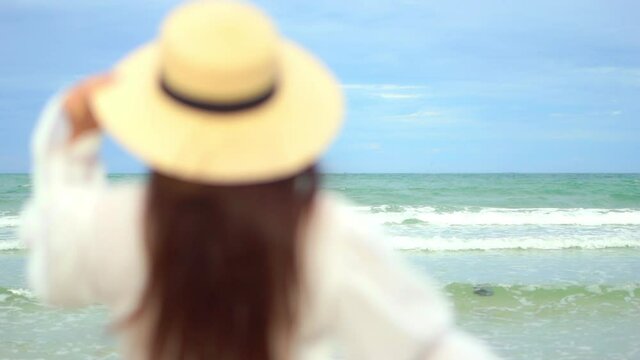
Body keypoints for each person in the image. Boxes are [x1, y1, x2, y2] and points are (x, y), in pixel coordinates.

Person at [19, 1, 499, 359]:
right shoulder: (324, 234)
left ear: (160, 114)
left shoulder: (116, 225)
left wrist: (71, 143)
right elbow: (426, 349)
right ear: (279, 113)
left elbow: (54, 274)